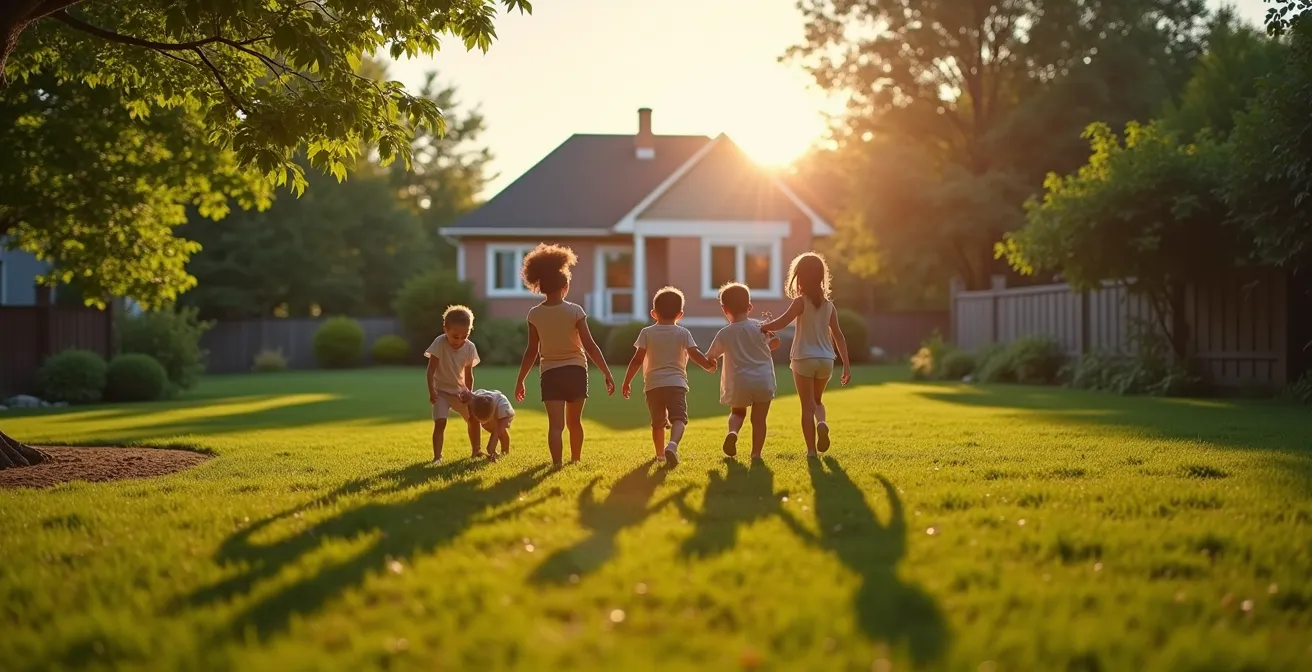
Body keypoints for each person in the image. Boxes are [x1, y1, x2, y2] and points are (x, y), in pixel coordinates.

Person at [513, 243, 615, 467]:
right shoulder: (575, 311)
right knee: (575, 423)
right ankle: (575, 460)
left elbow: (532, 351)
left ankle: (557, 463)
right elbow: (590, 345)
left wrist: (521, 380)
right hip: (576, 371)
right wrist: (607, 373)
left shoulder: (534, 314)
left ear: (540, 286)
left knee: (556, 426)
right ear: (565, 285)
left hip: (550, 374)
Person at [759, 252, 852, 457]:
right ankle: (822, 422)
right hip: (826, 360)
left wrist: (761, 327)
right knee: (817, 402)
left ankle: (811, 451)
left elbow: (782, 323)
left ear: (800, 276)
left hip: (803, 358)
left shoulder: (800, 302)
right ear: (821, 277)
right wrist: (845, 365)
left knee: (806, 406)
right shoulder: (830, 306)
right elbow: (839, 336)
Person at [621, 286, 717, 467]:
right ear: (680, 314)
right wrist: (708, 365)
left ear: (653, 313)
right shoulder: (683, 333)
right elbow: (695, 354)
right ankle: (672, 445)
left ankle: (659, 456)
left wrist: (627, 382)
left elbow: (637, 360)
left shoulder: (646, 333)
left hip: (653, 385)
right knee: (679, 419)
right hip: (676, 384)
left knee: (657, 423)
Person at [706, 282, 780, 459]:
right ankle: (755, 454)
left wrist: (711, 364)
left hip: (739, 381)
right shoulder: (760, 327)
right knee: (759, 420)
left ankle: (733, 433)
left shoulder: (724, 333)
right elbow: (775, 344)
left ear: (724, 309)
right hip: (763, 380)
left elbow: (710, 356)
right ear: (750, 307)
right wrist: (771, 332)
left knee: (737, 412)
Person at [424, 305, 482, 462]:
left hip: (460, 392)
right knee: (440, 422)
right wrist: (432, 391)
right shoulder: (439, 343)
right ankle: (437, 457)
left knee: (473, 419)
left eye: (465, 336)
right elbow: (430, 371)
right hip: (441, 392)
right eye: (456, 336)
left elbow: (469, 375)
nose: (460, 340)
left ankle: (476, 451)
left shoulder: (470, 348)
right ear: (445, 329)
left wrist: (469, 394)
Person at [469, 389, 515, 461]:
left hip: (501, 407)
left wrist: (492, 443)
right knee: (475, 422)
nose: (483, 424)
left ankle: (505, 451)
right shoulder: (473, 402)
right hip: (481, 402)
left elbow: (500, 428)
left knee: (501, 432)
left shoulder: (503, 407)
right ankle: (476, 451)